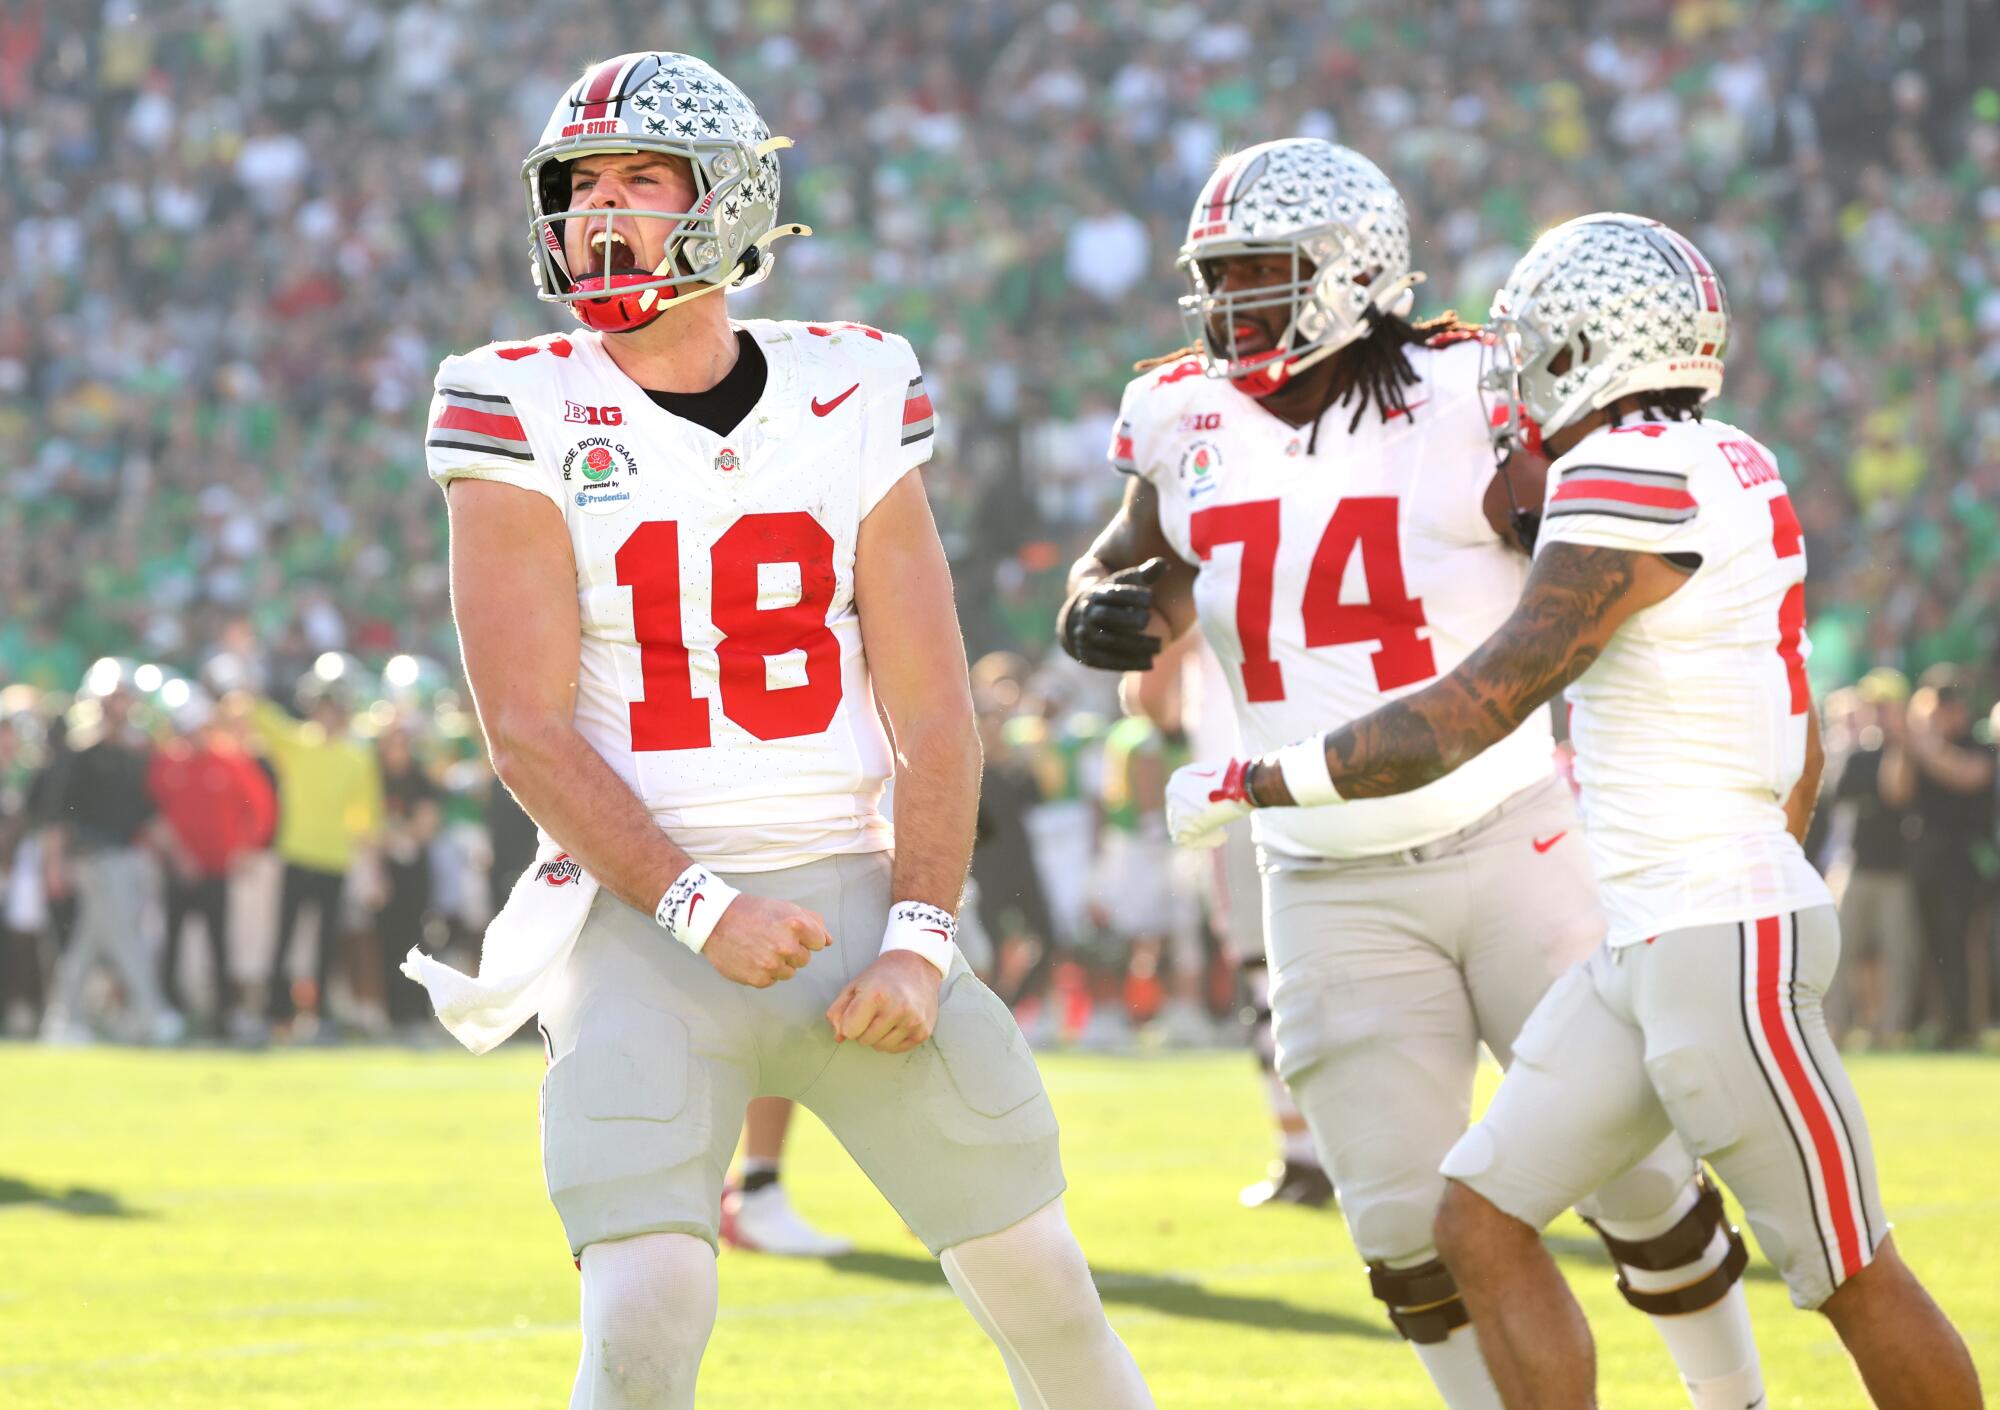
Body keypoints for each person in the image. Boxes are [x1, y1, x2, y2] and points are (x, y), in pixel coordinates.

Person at [405, 51, 1152, 1410]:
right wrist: (697, 905)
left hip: (853, 899)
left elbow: (931, 702)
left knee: (1044, 1281)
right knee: (647, 1302)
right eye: (578, 188)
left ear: (731, 204)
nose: (597, 214)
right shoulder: (511, 397)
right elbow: (523, 726)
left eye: (640, 179)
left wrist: (923, 940)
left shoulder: (853, 383)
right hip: (635, 924)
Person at [1167, 212, 1982, 1410]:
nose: (1511, 368)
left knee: (1848, 1274)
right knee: (1478, 1219)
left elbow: (1477, 703)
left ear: (1581, 345)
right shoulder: (1724, 458)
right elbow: (1793, 731)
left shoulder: (1622, 470)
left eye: (1531, 341)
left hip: (1714, 938)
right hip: (1649, 940)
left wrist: (1260, 778)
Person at [1060, 141, 1761, 1410]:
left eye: (1261, 277)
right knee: (1396, 1224)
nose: (1230, 309)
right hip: (1321, 878)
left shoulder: (1473, 389)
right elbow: (1133, 561)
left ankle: (1735, 1402)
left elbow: (1587, 553)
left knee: (1635, 1178)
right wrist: (1096, 611)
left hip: (1511, 836)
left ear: (1353, 272)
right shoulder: (1176, 410)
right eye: (1216, 279)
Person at [236, 667, 385, 1037]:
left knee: (325, 944)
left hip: (334, 858)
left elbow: (367, 818)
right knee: (282, 937)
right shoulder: (296, 742)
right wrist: (244, 674)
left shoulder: (357, 756)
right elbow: (252, 710)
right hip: (297, 854)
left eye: (337, 706)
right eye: (324, 705)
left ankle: (318, 1018)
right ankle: (274, 1015)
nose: (330, 713)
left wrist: (375, 869)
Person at [39, 662, 181, 1045]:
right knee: (123, 938)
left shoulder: (132, 755)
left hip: (123, 858)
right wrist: (54, 865)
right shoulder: (80, 753)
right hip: (91, 859)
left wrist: (177, 854)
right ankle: (154, 1012)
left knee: (88, 943)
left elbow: (144, 813)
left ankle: (62, 1019)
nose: (119, 706)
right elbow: (59, 815)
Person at [148, 688, 276, 1035]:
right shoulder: (167, 762)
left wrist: (247, 848)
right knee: (171, 942)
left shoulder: (230, 761)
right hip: (177, 871)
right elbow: (153, 814)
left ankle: (223, 1016)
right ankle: (169, 1012)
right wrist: (176, 855)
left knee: (220, 944)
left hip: (218, 870)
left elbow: (261, 806)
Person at [1823, 670, 1922, 1047]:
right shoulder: (1857, 754)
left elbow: (1896, 795)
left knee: (1898, 956)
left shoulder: (1911, 751)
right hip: (1855, 866)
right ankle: (1838, 1027)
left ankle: (1890, 1030)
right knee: (1840, 955)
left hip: (1896, 870)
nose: (1878, 715)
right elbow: (1843, 793)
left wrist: (1899, 745)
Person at [1902, 666, 1997, 1048]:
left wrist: (1923, 742)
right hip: (1926, 858)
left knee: (1964, 944)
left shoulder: (1978, 744)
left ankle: (1968, 1026)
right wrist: (1910, 746)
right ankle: (1942, 1023)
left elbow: (1967, 775)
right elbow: (1898, 790)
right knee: (1932, 944)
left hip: (1966, 862)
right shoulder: (1922, 750)